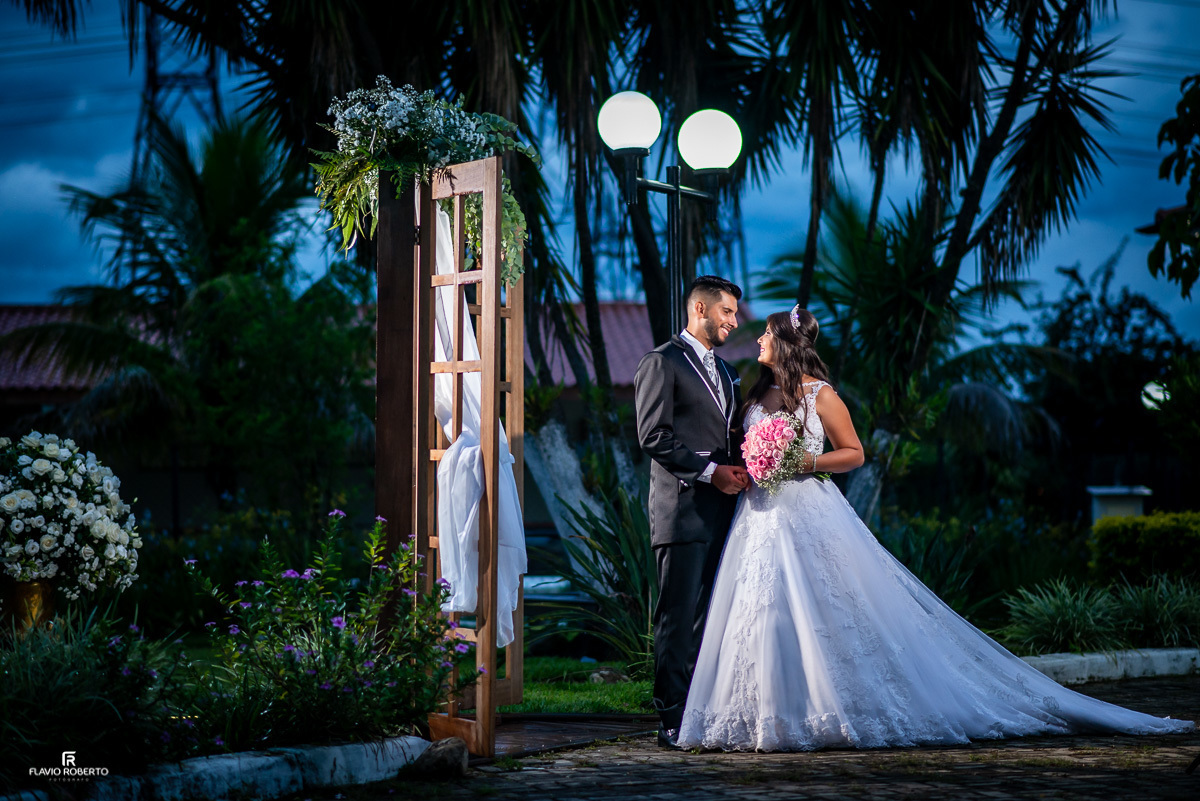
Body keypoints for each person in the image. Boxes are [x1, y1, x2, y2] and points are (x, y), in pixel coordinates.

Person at [677, 306, 1195, 752]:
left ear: (786, 342)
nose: (759, 340)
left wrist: (800, 461)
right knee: (762, 612)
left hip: (808, 512)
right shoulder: (755, 394)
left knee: (829, 613)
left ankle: (831, 708)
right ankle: (766, 712)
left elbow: (855, 454)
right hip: (759, 518)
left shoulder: (821, 396)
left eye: (767, 334)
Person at [634, 275, 751, 748]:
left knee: (710, 619)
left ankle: (703, 712)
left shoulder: (726, 374)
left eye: (735, 314)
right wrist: (711, 473)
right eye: (727, 312)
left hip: (725, 514)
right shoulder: (661, 362)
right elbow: (653, 436)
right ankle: (672, 719)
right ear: (699, 310)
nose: (734, 321)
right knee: (677, 618)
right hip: (681, 511)